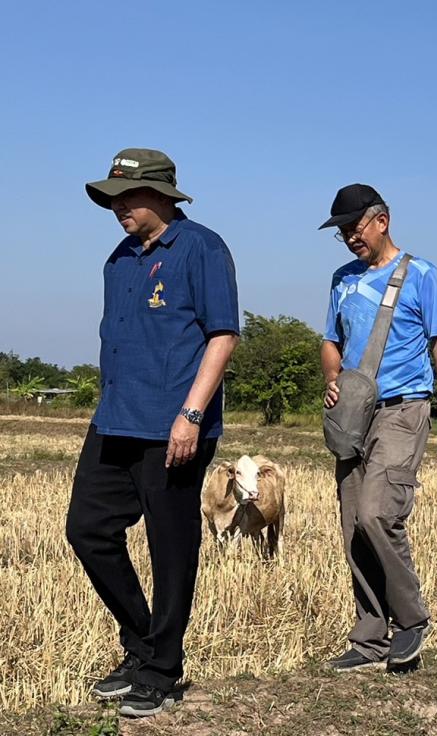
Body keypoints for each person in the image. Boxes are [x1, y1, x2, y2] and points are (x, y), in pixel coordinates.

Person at [66, 149, 239, 717]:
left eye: (127, 195)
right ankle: (143, 641)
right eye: (112, 197)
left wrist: (190, 415)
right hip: (115, 419)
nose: (118, 207)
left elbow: (221, 336)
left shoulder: (202, 248)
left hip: (173, 426)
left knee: (170, 547)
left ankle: (162, 667)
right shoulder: (118, 259)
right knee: (87, 529)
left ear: (162, 193)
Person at [318, 184, 437, 672]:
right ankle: (370, 638)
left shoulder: (421, 274)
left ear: (382, 220)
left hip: (404, 409)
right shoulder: (342, 279)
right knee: (354, 524)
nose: (350, 239)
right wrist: (332, 380)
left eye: (354, 228)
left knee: (379, 513)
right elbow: (331, 340)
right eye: (342, 233)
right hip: (353, 415)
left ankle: (411, 621)